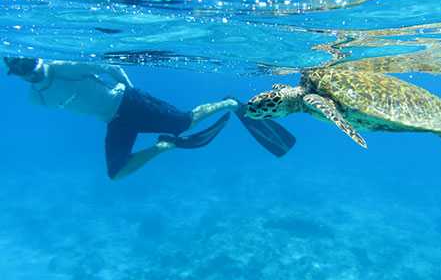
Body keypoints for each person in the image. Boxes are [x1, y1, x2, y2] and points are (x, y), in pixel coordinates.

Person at [3, 57, 295, 179]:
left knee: (185, 122)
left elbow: (107, 67)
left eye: (29, 63)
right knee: (116, 172)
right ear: (15, 74)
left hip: (129, 102)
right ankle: (162, 147)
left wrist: (131, 91)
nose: (30, 70)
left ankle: (229, 103)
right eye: (20, 69)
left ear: (37, 59)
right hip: (115, 121)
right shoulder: (36, 98)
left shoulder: (62, 67)